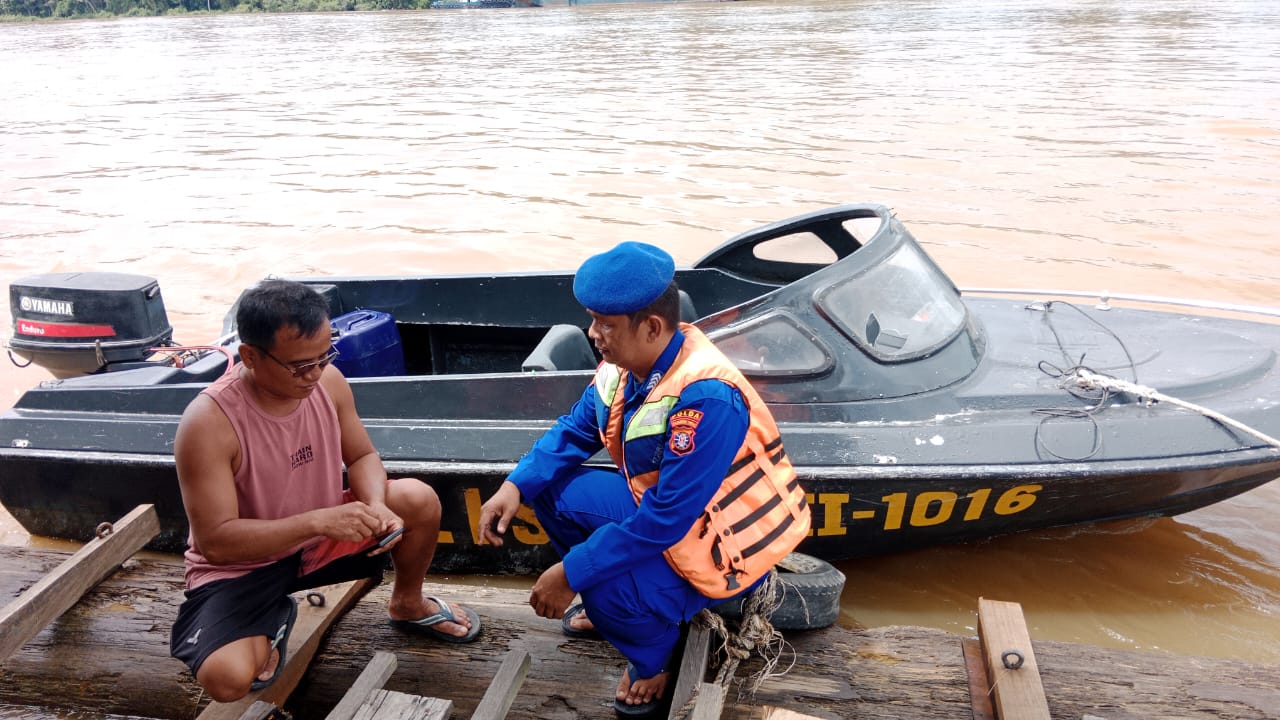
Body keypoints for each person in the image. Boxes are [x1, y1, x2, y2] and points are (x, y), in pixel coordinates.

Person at [479, 242, 810, 717]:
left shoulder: (706, 397)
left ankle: (654, 660)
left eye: (605, 324)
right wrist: (514, 485)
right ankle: (624, 605)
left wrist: (572, 572)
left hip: (725, 543)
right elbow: (575, 428)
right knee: (548, 488)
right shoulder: (624, 367)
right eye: (593, 320)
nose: (594, 334)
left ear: (652, 327)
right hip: (672, 515)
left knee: (600, 585)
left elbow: (666, 519)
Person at [169, 279, 480, 703]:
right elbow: (218, 543)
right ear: (251, 356)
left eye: (324, 356)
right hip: (244, 566)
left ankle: (407, 602)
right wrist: (318, 520)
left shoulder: (327, 381)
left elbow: (363, 457)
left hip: (322, 538)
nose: (314, 374)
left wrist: (373, 506)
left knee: (416, 500)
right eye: (299, 366)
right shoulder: (207, 423)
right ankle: (273, 616)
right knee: (227, 680)